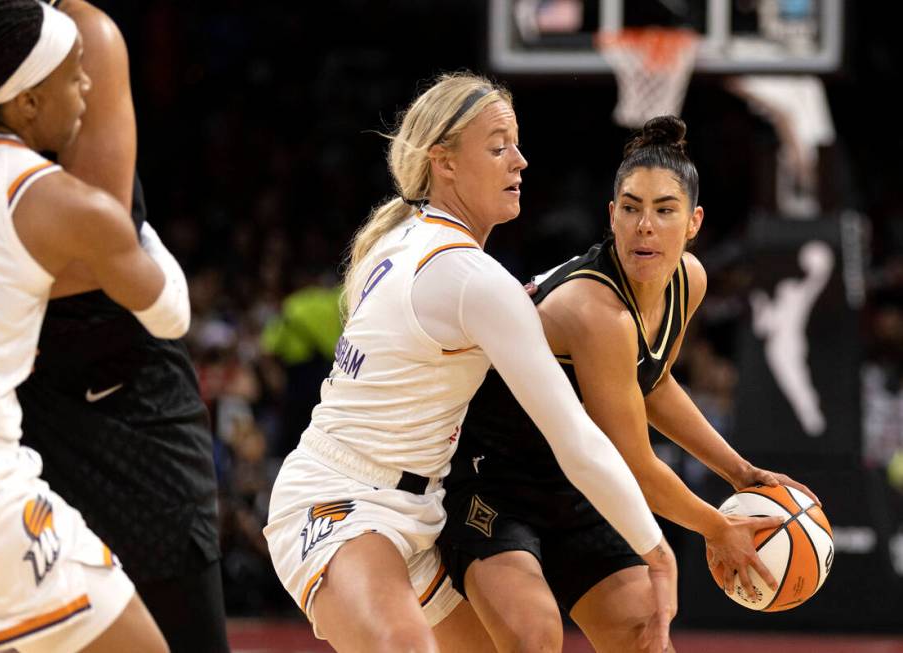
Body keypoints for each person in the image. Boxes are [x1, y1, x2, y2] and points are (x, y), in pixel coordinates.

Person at [263, 72, 677, 653]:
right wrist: (657, 552)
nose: (521, 161)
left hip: (421, 507)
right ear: (445, 162)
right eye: (499, 146)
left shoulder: (403, 237)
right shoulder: (469, 278)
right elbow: (577, 441)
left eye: (516, 143)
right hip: (342, 499)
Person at [438, 115, 818, 652]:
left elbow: (652, 384)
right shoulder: (595, 311)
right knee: (533, 638)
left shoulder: (689, 279)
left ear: (693, 223)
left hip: (578, 488)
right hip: (495, 486)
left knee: (646, 635)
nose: (646, 225)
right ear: (611, 216)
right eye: (632, 208)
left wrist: (742, 473)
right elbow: (634, 465)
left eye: (665, 211)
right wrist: (716, 527)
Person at [0, 0, 227, 650]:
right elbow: (150, 289)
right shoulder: (37, 192)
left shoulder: (77, 29)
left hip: (105, 396)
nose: (83, 87)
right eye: (74, 79)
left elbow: (81, 258)